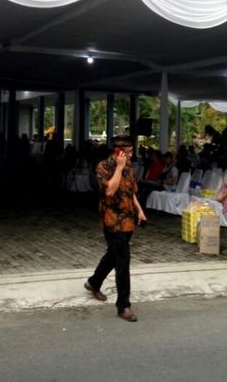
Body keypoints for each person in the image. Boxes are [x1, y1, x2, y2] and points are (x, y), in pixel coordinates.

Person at [85, 136, 147, 322]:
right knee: (123, 261)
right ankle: (124, 306)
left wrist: (140, 211)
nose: (131, 155)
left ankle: (93, 282)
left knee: (113, 255)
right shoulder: (103, 167)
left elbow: (131, 192)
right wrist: (119, 168)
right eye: (128, 152)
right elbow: (110, 191)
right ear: (119, 151)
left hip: (128, 219)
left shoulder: (129, 166)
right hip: (111, 220)